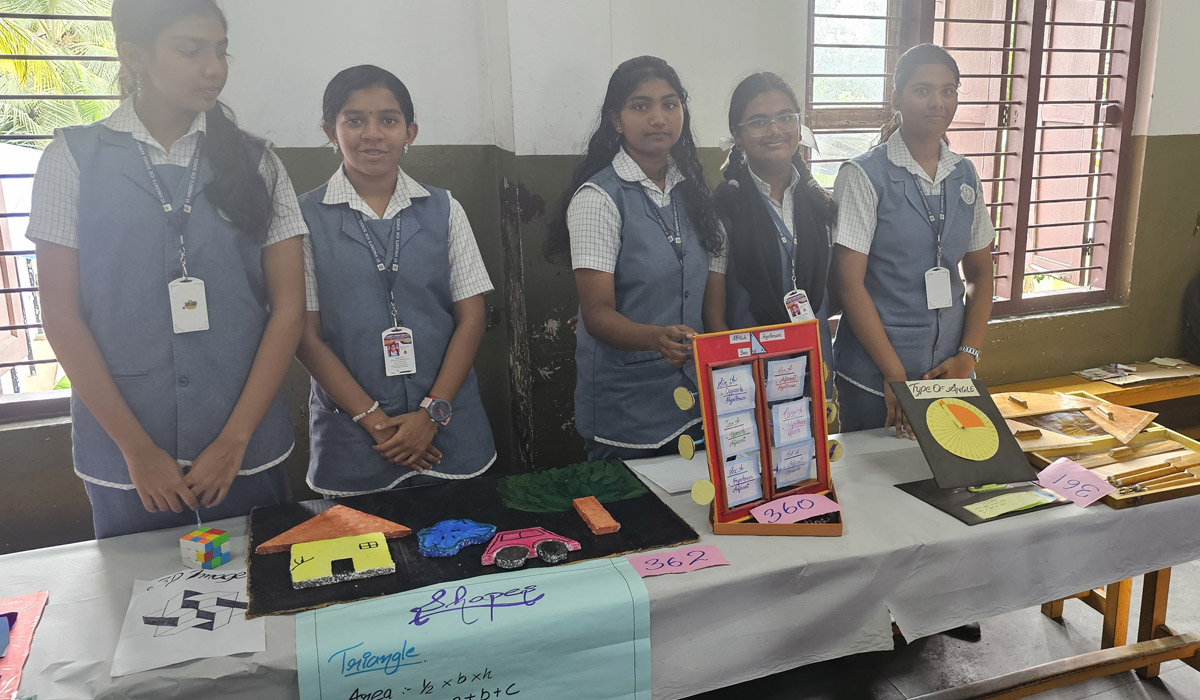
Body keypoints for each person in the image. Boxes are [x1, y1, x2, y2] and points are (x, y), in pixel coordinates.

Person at [27, 0, 307, 537]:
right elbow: (60, 316)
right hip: (128, 460)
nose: (213, 68)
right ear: (135, 56)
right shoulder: (71, 159)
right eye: (190, 51)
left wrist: (234, 441)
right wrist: (135, 448)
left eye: (221, 52)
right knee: (139, 588)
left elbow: (289, 308)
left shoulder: (258, 163)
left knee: (261, 580)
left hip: (244, 448)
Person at [296, 65, 496, 495]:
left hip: (448, 430)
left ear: (410, 132)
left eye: (388, 120)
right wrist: (375, 422)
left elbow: (472, 318)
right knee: (365, 538)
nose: (372, 134)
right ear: (330, 132)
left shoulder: (445, 209)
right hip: (355, 438)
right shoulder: (303, 219)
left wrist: (431, 414)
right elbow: (305, 337)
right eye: (355, 120)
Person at [544, 55, 725, 461]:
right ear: (616, 119)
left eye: (670, 104)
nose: (658, 118)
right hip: (627, 409)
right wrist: (656, 338)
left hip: (695, 403)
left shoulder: (693, 193)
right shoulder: (598, 198)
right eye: (641, 106)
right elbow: (596, 315)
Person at [833, 43, 994, 438]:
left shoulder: (965, 174)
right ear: (897, 99)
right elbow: (849, 284)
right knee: (875, 473)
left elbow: (980, 273)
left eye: (948, 90)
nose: (937, 102)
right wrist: (895, 375)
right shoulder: (863, 175)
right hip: (876, 378)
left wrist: (967, 357)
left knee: (945, 469)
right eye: (923, 90)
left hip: (949, 372)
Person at [706, 72, 838, 410]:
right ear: (737, 137)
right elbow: (714, 314)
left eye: (785, 117)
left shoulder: (821, 203)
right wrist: (733, 383)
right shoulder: (725, 207)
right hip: (748, 377)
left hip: (814, 366)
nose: (775, 130)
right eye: (758, 122)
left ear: (799, 126)